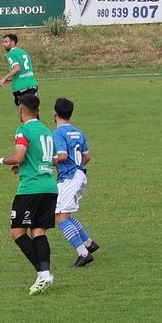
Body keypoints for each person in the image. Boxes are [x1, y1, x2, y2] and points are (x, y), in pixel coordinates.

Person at [0, 92, 58, 295]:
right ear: (38, 111)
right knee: (38, 231)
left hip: (30, 189)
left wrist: (0, 161)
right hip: (49, 187)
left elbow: (19, 155)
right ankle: (44, 273)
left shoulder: (23, 130)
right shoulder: (47, 131)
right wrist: (27, 165)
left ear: (21, 109)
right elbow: (52, 160)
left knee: (17, 232)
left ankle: (42, 273)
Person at [52, 98, 99, 267]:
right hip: (80, 176)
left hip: (69, 178)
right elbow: (87, 157)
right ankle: (88, 243)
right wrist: (78, 169)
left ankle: (83, 253)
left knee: (60, 216)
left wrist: (46, 162)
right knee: (65, 214)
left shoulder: (57, 133)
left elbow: (63, 156)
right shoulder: (79, 132)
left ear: (55, 113)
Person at [0, 32, 39, 105]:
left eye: (6, 42)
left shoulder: (10, 54)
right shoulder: (23, 52)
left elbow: (17, 68)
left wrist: (4, 78)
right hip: (32, 85)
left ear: (12, 42)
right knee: (33, 112)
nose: (4, 44)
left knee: (23, 113)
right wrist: (11, 79)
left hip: (20, 87)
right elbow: (24, 71)